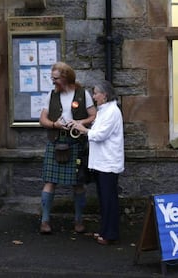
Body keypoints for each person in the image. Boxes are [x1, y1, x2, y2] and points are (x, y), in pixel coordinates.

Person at [39, 62, 96, 234]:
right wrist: (55, 124)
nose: (53, 81)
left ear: (66, 77)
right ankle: (45, 221)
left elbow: (94, 115)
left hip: (76, 143)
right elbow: (42, 120)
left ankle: (79, 221)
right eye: (52, 78)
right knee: (50, 182)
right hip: (56, 142)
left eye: (56, 78)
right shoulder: (51, 95)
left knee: (78, 183)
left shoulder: (82, 94)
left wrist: (80, 122)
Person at [73, 80, 124, 245]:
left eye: (96, 93)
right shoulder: (104, 110)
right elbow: (96, 130)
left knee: (109, 200)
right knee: (104, 199)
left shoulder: (112, 112)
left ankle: (110, 234)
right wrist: (82, 125)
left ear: (105, 95)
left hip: (108, 163)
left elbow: (100, 135)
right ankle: (105, 231)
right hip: (102, 162)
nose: (94, 96)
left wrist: (84, 130)